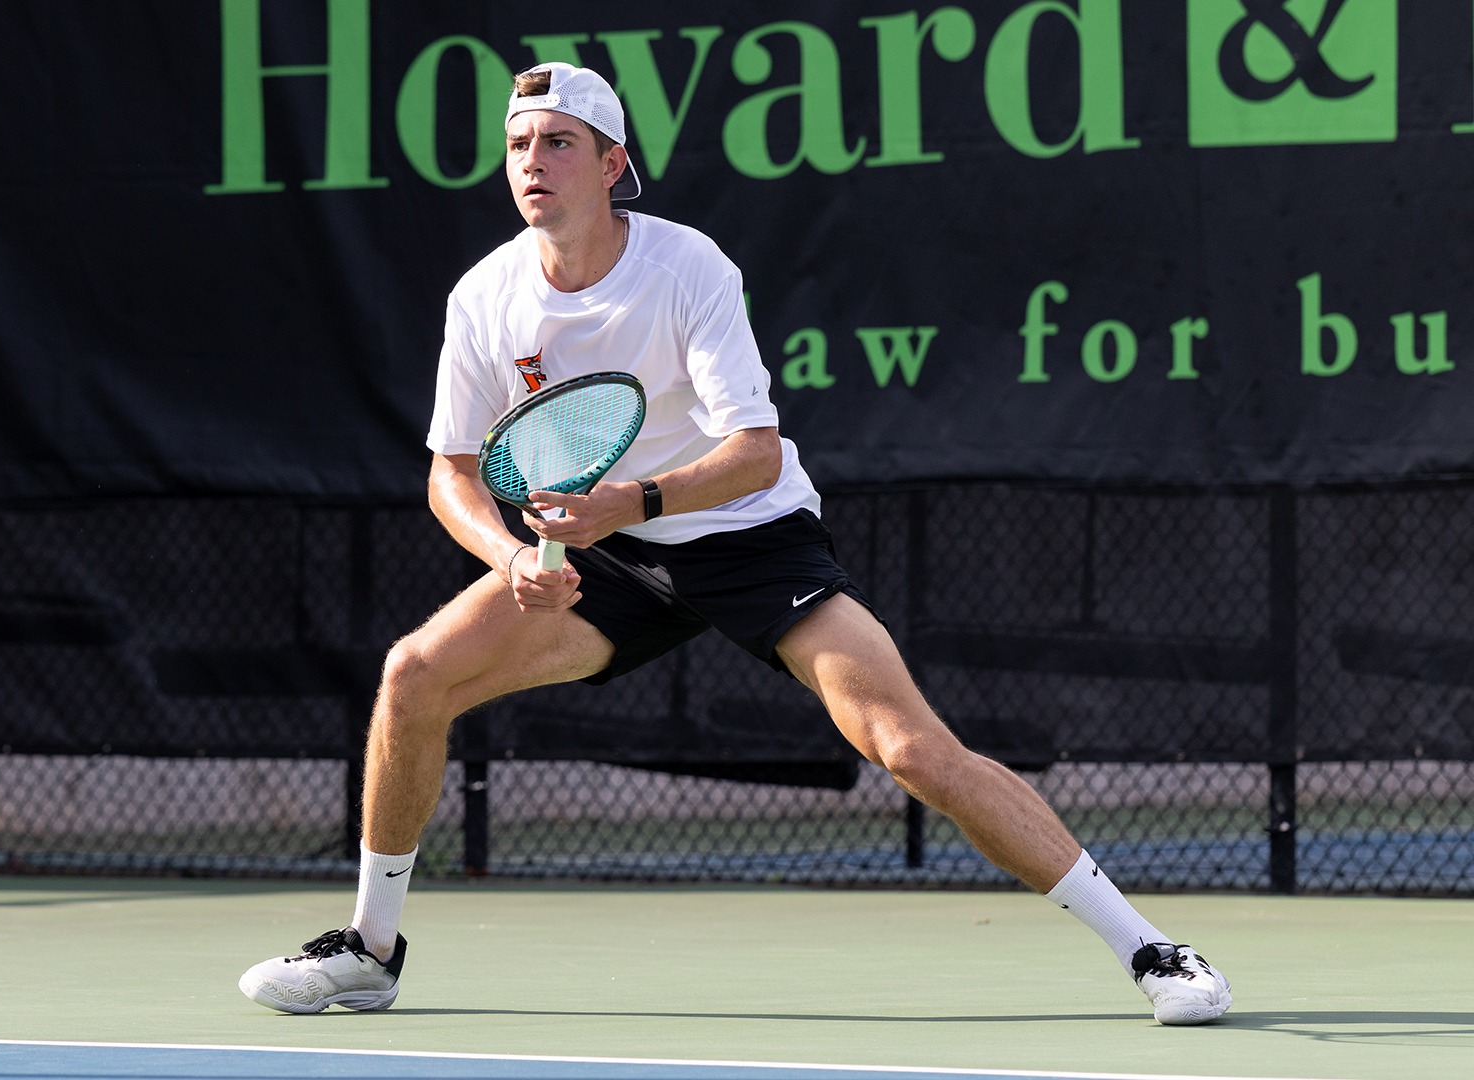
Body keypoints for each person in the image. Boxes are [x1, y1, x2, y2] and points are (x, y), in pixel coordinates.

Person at [238, 62, 1233, 1026]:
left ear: (612, 164)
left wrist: (631, 501)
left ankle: (1151, 949)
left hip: (747, 537)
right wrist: (510, 560)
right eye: (519, 144)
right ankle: (370, 950)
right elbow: (450, 474)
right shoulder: (484, 297)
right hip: (607, 556)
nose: (532, 160)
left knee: (909, 748)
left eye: (560, 142)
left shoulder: (687, 268)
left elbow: (754, 454)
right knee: (414, 675)